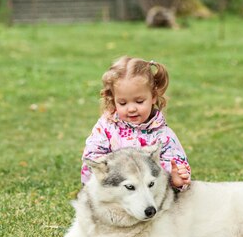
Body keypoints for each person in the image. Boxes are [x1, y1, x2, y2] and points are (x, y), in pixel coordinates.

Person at [81, 56, 191, 190]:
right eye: (123, 103)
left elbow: (174, 164)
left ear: (153, 97)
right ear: (114, 100)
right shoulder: (106, 127)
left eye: (139, 101)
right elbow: (92, 159)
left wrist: (176, 180)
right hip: (115, 194)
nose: (132, 108)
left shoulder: (162, 136)